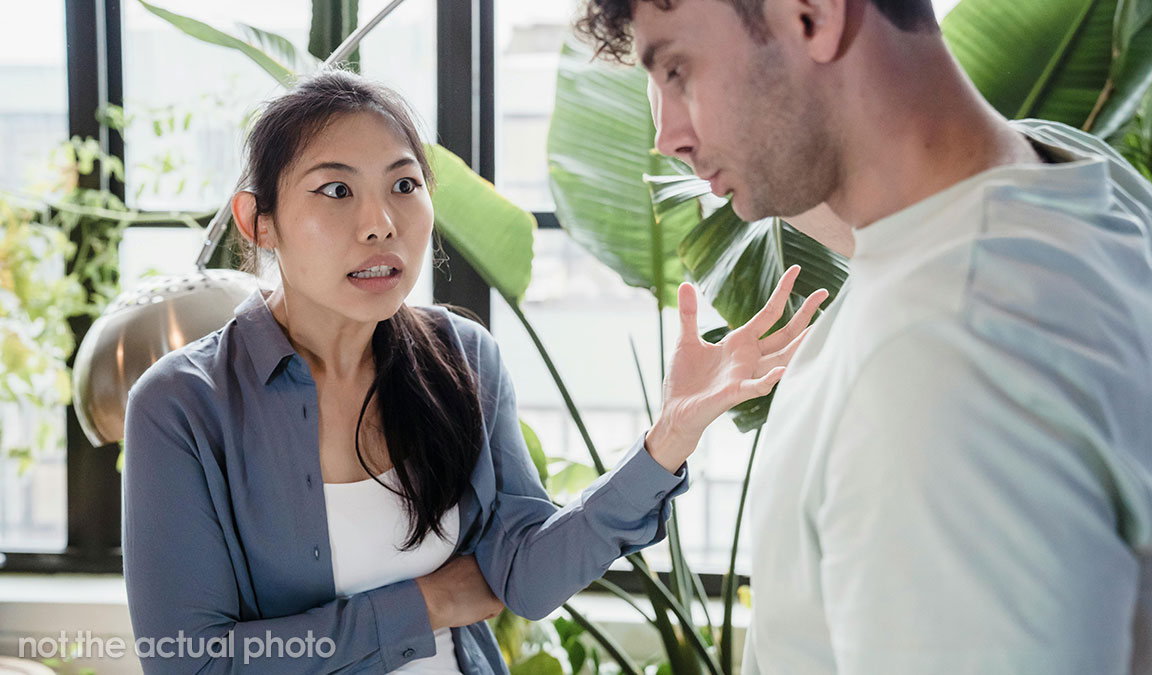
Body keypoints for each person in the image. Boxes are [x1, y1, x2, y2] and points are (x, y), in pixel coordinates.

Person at [120, 69, 827, 674]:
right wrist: (424, 603)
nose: (379, 223)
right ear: (257, 221)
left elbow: (524, 575)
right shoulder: (182, 407)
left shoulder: (461, 357)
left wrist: (669, 436)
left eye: (403, 184)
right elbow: (192, 660)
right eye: (335, 191)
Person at [576, 0, 1152, 673]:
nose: (667, 136)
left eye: (677, 70)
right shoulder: (1078, 179)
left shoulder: (936, 363)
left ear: (811, 14)